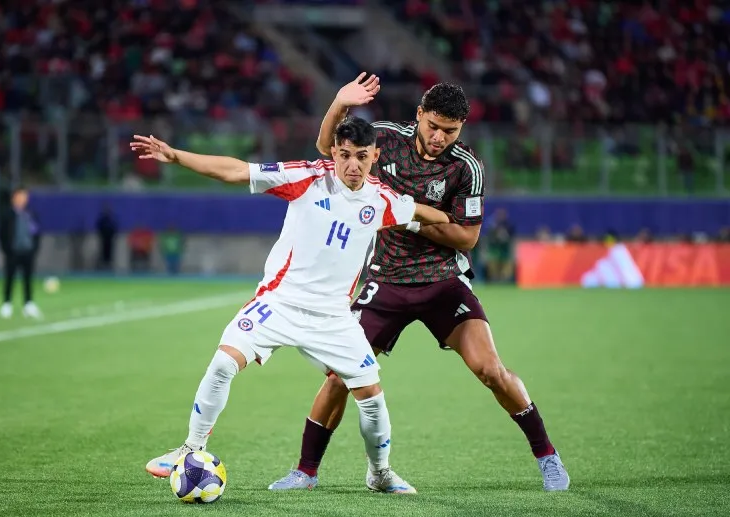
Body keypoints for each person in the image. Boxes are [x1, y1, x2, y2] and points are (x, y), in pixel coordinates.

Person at [269, 74, 570, 492]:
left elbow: (467, 237)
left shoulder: (466, 169)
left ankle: (547, 456)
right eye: (433, 126)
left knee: (490, 369)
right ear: (419, 116)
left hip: (442, 282)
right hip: (385, 281)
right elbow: (327, 149)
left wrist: (408, 216)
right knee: (340, 376)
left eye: (450, 130)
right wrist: (339, 104)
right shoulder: (386, 140)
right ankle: (306, 471)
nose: (439, 137)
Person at [131, 116, 452, 494]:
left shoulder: (381, 199)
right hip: (279, 303)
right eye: (344, 155)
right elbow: (238, 171)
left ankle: (379, 473)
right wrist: (176, 156)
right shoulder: (307, 177)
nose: (352, 165)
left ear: (375, 157)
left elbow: (418, 211)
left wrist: (450, 222)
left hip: (334, 318)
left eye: (361, 157)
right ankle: (191, 447)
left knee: (372, 398)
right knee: (222, 363)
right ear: (333, 152)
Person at [0, 186, 42, 319]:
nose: (23, 199)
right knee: (10, 278)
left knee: (28, 279)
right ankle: (7, 304)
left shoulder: (30, 214)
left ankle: (28, 304)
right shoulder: (7, 214)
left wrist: (34, 248)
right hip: (13, 252)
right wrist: (6, 249)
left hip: (27, 251)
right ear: (14, 197)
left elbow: (37, 232)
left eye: (25, 197)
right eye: (20, 196)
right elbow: (1, 234)